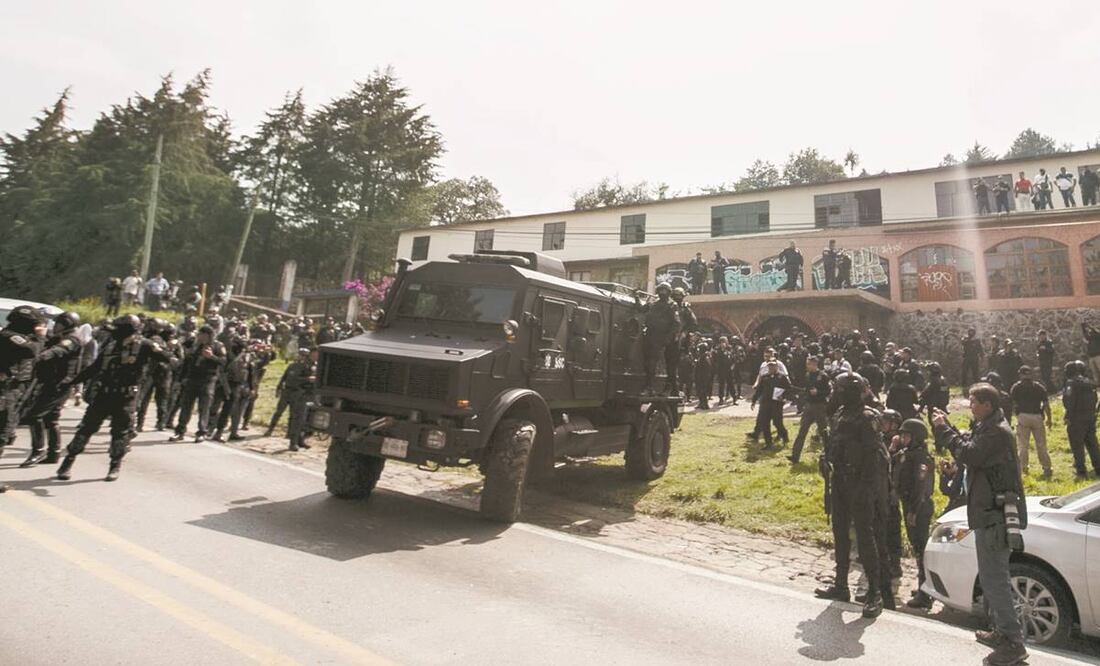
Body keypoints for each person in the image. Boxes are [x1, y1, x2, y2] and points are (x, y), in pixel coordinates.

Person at [932, 384, 1027, 665]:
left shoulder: (997, 431)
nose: (970, 405)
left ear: (987, 404)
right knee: (991, 579)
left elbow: (971, 453)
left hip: (995, 516)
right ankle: (1001, 630)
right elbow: (970, 449)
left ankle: (1013, 643)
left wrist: (943, 429)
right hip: (986, 513)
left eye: (973, 401)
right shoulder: (988, 426)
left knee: (995, 580)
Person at [56, 314, 171, 482]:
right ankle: (67, 462)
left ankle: (114, 466)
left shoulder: (144, 345)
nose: (114, 332)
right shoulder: (111, 345)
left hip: (126, 396)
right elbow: (94, 368)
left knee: (120, 433)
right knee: (86, 429)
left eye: (118, 329)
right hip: (104, 394)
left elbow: (169, 358)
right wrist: (72, 382)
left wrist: (161, 351)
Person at [815, 372, 892, 618]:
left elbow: (875, 458)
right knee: (840, 533)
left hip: (862, 484)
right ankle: (840, 585)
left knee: (866, 537)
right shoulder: (839, 415)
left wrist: (865, 489)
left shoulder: (867, 417)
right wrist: (826, 461)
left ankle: (875, 593)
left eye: (838, 390)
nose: (834, 393)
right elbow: (835, 447)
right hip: (841, 482)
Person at [19, 312, 86, 467]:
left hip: (59, 384)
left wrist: (41, 356)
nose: (55, 326)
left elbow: (57, 351)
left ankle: (38, 450)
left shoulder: (72, 339)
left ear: (67, 324)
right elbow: (44, 343)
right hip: (52, 382)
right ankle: (54, 453)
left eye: (59, 324)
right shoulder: (58, 337)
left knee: (34, 416)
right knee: (51, 419)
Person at [891, 418, 936, 610]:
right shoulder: (906, 454)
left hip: (918, 507)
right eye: (902, 435)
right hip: (908, 504)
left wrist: (914, 511)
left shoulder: (921, 458)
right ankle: (922, 587)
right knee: (916, 545)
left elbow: (921, 486)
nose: (903, 438)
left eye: (907, 435)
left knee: (920, 548)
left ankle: (925, 593)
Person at [0, 306, 45, 461]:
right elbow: (32, 350)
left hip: (14, 387)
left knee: (8, 422)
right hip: (5, 388)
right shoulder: (9, 336)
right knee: (3, 426)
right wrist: (40, 337)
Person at [169, 325, 227, 443]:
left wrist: (212, 357)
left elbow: (223, 362)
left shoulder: (218, 346)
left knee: (204, 408)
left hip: (207, 380)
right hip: (192, 379)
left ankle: (202, 432)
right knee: (186, 407)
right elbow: (186, 363)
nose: (201, 337)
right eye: (200, 334)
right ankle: (179, 431)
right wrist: (181, 379)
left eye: (204, 335)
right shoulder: (195, 346)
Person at [1010, 366, 1052, 478]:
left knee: (1023, 445)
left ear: (1021, 374)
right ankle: (1046, 468)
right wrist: (1049, 418)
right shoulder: (1039, 387)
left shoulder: (1016, 387)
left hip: (1023, 416)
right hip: (1037, 416)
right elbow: (1046, 404)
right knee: (1041, 445)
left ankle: (1024, 468)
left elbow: (1013, 403)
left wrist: (1017, 414)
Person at [639, 283, 681, 394]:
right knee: (647, 361)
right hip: (650, 334)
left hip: (661, 337)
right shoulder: (653, 303)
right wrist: (636, 297)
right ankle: (648, 386)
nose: (662, 292)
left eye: (665, 290)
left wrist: (667, 338)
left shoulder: (672, 305)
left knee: (653, 362)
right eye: (661, 290)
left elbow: (676, 324)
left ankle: (649, 387)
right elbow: (642, 309)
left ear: (668, 292)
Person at [1062, 360, 1100, 478]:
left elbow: (1069, 402)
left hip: (1076, 418)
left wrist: (1068, 415)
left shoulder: (1071, 384)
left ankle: (1081, 471)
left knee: (1077, 446)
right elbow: (1095, 399)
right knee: (1092, 444)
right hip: (1090, 416)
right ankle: (1098, 468)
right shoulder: (1088, 382)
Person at [789, 355, 829, 464]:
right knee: (802, 431)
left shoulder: (823, 376)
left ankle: (830, 455)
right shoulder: (807, 375)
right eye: (807, 363)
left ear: (815, 364)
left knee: (823, 432)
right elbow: (806, 390)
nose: (807, 366)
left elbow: (828, 391)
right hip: (809, 406)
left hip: (819, 406)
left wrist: (818, 392)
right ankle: (794, 456)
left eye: (809, 364)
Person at [284, 348, 318, 451]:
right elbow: (293, 379)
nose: (316, 356)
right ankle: (293, 442)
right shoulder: (301, 364)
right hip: (300, 394)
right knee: (298, 419)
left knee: (307, 420)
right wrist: (307, 379)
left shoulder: (316, 365)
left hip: (311, 395)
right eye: (315, 354)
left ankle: (300, 439)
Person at [751, 360, 790, 448]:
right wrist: (754, 400)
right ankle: (768, 443)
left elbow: (788, 389)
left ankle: (784, 435)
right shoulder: (765, 377)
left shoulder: (782, 377)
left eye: (773, 366)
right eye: (769, 366)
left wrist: (784, 397)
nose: (771, 368)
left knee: (777, 422)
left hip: (776, 403)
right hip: (766, 403)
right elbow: (759, 390)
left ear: (777, 367)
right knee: (765, 423)